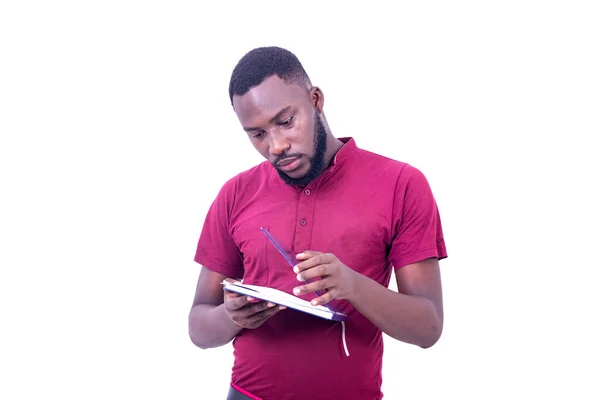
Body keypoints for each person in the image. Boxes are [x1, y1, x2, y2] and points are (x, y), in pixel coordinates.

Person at [189, 46, 447, 400]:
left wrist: (351, 285)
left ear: (315, 99)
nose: (277, 145)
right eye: (257, 134)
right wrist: (233, 317)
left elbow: (428, 327)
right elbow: (198, 327)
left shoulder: (400, 184)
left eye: (285, 121)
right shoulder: (236, 193)